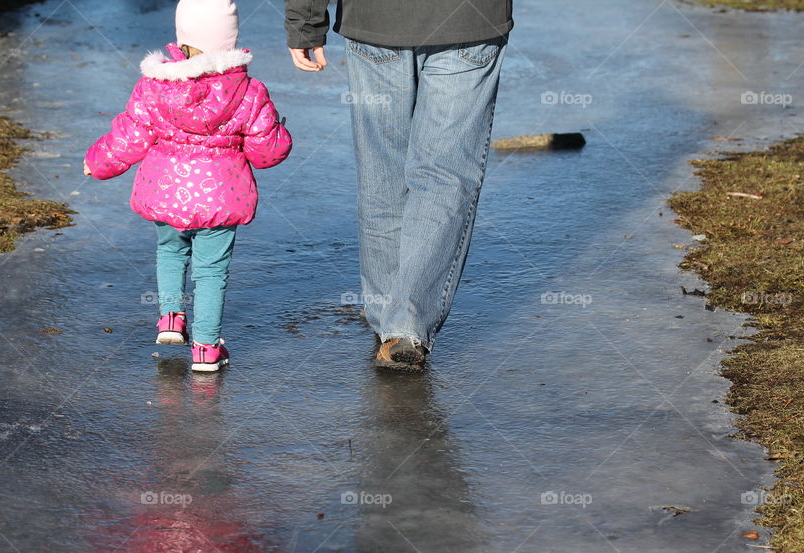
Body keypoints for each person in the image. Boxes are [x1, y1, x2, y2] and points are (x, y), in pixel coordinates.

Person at [285, 0, 513, 372]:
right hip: (469, 21)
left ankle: (390, 320)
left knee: (382, 171)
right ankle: (405, 324)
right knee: (445, 176)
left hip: (376, 21)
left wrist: (305, 22)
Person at [85, 0, 292, 372]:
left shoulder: (154, 85)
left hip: (165, 190)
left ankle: (169, 318)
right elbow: (267, 152)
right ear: (230, 42)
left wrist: (96, 162)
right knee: (211, 271)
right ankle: (206, 349)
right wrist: (278, 129)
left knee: (170, 250)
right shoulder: (248, 90)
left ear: (182, 39)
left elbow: (129, 136)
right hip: (222, 195)